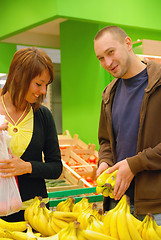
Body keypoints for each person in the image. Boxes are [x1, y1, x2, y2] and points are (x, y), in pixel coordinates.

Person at [94, 25, 161, 225]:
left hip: (155, 208)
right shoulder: (108, 94)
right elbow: (106, 140)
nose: (107, 62)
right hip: (118, 202)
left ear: (128, 43)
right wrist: (105, 161)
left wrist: (134, 165)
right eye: (100, 58)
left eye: (110, 52)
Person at [0, 47, 63, 221]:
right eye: (38, 83)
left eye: (46, 85)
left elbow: (56, 167)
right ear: (18, 77)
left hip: (36, 212)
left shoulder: (43, 115)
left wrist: (26, 167)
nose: (43, 91)